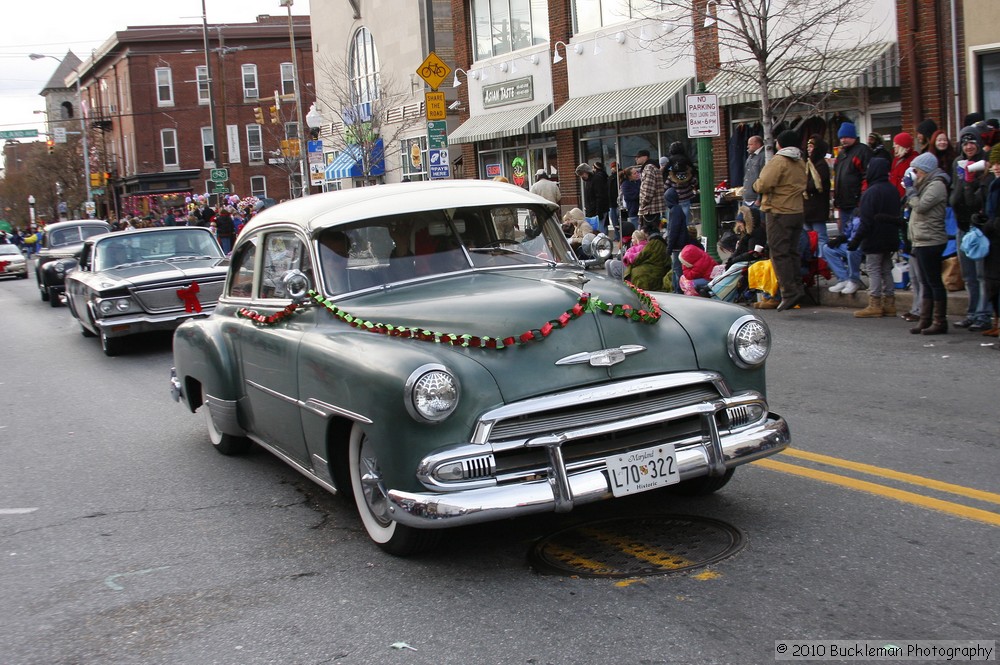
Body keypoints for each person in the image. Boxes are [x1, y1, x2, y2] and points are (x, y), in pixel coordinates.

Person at [753, 129, 808, 311]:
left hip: (779, 211)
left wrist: (755, 185)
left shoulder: (779, 160)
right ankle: (798, 287)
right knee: (792, 252)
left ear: (781, 143)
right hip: (797, 210)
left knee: (779, 253)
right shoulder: (800, 161)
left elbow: (763, 183)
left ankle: (788, 292)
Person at [848, 158, 903, 318]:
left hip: (874, 237)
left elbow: (866, 221)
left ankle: (875, 303)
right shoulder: (892, 190)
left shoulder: (871, 192)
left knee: (873, 269)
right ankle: (890, 303)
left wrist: (856, 241)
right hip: (890, 236)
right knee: (886, 268)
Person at [950, 126, 992, 331]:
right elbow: (955, 198)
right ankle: (972, 311)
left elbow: (975, 202)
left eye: (972, 143)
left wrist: (968, 181)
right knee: (968, 275)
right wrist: (960, 180)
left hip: (979, 228)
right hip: (962, 226)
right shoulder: (958, 164)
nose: (968, 147)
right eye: (965, 143)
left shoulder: (985, 166)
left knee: (981, 274)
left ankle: (984, 314)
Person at [905, 151, 951, 335]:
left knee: (933, 282)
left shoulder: (937, 185)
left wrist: (910, 190)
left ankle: (939, 321)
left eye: (916, 170)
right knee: (925, 281)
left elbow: (921, 206)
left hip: (931, 240)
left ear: (925, 170)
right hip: (921, 240)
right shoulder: (925, 185)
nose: (915, 174)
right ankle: (925, 319)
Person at [833, 121, 871, 233]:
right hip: (843, 203)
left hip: (856, 203)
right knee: (844, 235)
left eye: (846, 137)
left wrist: (862, 198)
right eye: (841, 138)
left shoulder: (862, 151)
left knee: (855, 234)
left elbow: (867, 177)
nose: (843, 140)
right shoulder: (841, 154)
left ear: (853, 137)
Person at [803, 134, 832, 247]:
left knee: (820, 238)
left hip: (817, 209)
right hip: (807, 209)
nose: (808, 149)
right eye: (808, 147)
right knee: (808, 239)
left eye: (811, 147)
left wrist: (802, 185)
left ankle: (822, 260)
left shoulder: (821, 165)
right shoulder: (807, 165)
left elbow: (813, 185)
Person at [623, 222, 669, 290]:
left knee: (636, 272)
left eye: (642, 233)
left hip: (652, 270)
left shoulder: (652, 243)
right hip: (654, 268)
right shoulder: (657, 242)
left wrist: (629, 257)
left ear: (647, 234)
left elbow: (639, 257)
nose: (641, 235)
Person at [664, 187, 693, 293]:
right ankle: (678, 289)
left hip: (677, 246)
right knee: (678, 269)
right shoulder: (678, 209)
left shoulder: (674, 211)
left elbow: (673, 231)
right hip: (680, 244)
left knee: (677, 269)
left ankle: (678, 290)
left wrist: (669, 247)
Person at [666, 142, 697, 225]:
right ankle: (684, 231)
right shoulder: (686, 159)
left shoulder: (671, 162)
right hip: (686, 195)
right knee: (685, 218)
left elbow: (666, 183)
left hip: (673, 197)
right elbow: (694, 179)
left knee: (672, 219)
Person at [636, 149, 665, 225]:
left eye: (638, 156)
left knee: (649, 233)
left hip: (650, 209)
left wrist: (643, 203)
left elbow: (648, 189)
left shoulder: (649, 168)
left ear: (645, 157)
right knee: (653, 231)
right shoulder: (653, 167)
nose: (636, 158)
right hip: (653, 208)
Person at [889, 132, 918, 198]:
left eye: (896, 144)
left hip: (905, 198)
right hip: (895, 196)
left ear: (902, 146)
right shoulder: (896, 159)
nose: (893, 146)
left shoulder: (913, 161)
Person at [743, 135, 765, 208]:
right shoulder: (750, 156)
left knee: (757, 219)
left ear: (758, 144)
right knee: (740, 219)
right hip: (746, 198)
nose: (748, 146)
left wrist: (759, 199)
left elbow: (763, 178)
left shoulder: (763, 156)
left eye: (750, 144)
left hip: (756, 200)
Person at [619, 166, 641, 234]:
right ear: (629, 176)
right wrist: (641, 192)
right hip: (633, 211)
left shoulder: (638, 182)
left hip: (642, 211)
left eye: (637, 172)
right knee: (637, 231)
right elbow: (632, 196)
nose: (637, 174)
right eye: (634, 173)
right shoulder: (625, 185)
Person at [607, 161, 620, 238]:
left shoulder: (619, 176)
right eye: (612, 167)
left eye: (614, 167)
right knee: (614, 220)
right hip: (611, 203)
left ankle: (620, 235)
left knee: (620, 220)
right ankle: (617, 236)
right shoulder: (610, 177)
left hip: (617, 202)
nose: (613, 169)